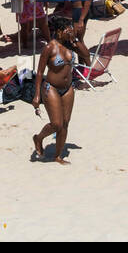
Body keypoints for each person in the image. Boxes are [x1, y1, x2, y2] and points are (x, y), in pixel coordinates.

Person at [32, 16, 89, 164]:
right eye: (67, 30)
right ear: (58, 32)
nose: (70, 31)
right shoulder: (50, 47)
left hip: (68, 87)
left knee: (65, 122)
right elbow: (39, 72)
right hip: (51, 87)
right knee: (56, 124)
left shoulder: (70, 46)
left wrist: (75, 42)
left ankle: (57, 155)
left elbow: (87, 56)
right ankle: (38, 138)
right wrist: (37, 95)